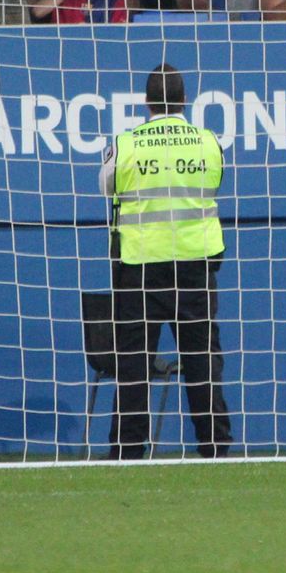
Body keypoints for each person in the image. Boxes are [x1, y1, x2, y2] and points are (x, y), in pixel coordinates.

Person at [100, 62, 231, 459]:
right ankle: (216, 449)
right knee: (202, 363)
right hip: (194, 265)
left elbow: (106, 187)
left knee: (134, 366)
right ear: (184, 100)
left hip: (140, 267)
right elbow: (216, 181)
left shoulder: (126, 144)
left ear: (145, 102)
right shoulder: (209, 142)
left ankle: (127, 452)